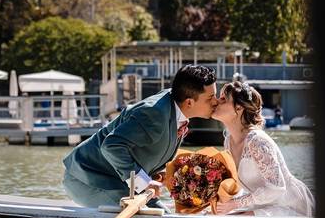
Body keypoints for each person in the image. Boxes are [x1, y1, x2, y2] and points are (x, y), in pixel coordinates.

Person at [62, 64, 219, 208]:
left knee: (164, 214)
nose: (216, 102)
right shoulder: (155, 113)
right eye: (210, 98)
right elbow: (111, 146)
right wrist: (144, 183)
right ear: (189, 102)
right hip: (88, 178)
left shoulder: (174, 106)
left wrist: (158, 174)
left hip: (117, 181)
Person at [212, 78, 314, 217]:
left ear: (239, 108)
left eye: (223, 99)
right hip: (263, 204)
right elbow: (238, 186)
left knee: (238, 217)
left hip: (288, 204)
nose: (217, 101)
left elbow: (277, 189)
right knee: (217, 214)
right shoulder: (229, 141)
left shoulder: (257, 141)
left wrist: (234, 204)